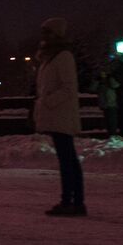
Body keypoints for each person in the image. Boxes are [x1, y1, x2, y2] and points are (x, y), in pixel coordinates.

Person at [33, 17, 85, 216]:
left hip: (60, 115)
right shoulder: (50, 57)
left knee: (68, 160)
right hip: (56, 115)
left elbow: (69, 88)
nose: (43, 36)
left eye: (47, 32)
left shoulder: (63, 56)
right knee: (68, 158)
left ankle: (71, 201)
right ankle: (74, 201)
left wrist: (47, 101)